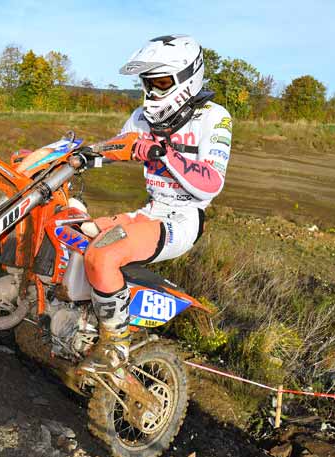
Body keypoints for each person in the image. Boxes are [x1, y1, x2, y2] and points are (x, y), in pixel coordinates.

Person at [79, 35, 232, 373]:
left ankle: (115, 347)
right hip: (150, 210)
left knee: (104, 255)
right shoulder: (141, 117)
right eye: (147, 83)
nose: (151, 92)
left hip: (183, 219)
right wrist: (76, 154)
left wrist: (163, 152)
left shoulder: (213, 118)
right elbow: (114, 150)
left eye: (161, 83)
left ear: (187, 78)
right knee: (75, 232)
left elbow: (211, 183)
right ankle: (80, 317)